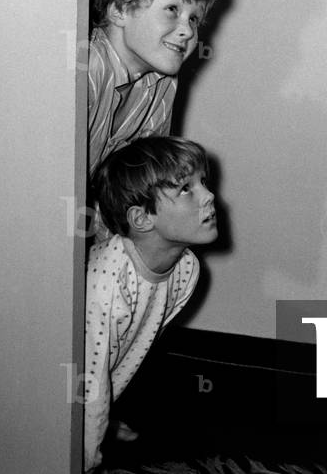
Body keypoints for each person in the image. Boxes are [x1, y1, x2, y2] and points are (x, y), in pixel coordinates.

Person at [83, 137, 219, 473]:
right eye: (187, 188)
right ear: (142, 219)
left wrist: (105, 421)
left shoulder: (187, 269)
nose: (209, 196)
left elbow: (127, 350)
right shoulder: (108, 280)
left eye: (203, 182)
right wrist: (87, 454)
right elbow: (89, 377)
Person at [88, 0, 224, 177]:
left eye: (193, 18)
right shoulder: (89, 68)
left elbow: (138, 186)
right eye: (172, 9)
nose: (189, 31)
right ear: (119, 10)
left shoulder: (162, 82)